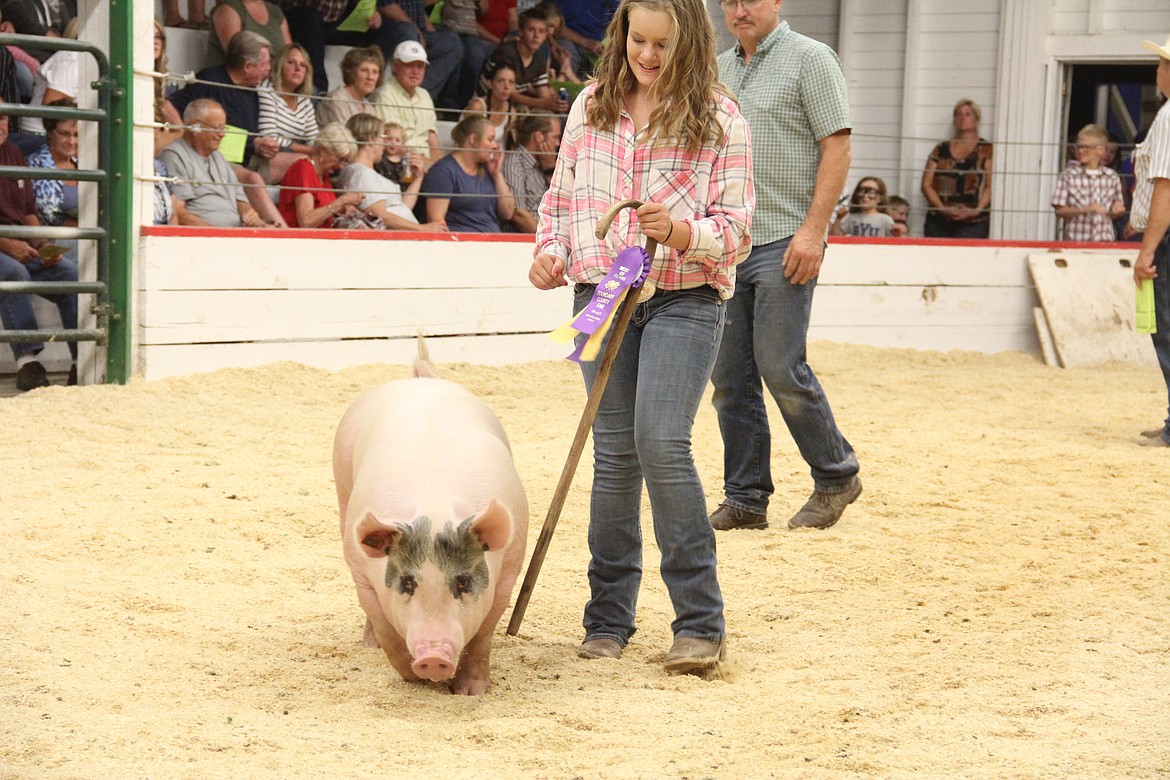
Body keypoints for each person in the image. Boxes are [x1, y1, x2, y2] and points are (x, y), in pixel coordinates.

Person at [528, 0, 753, 673]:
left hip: (684, 295)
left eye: (662, 45)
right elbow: (562, 198)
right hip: (600, 293)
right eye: (638, 41)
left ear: (689, 43)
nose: (648, 57)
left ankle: (700, 622)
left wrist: (684, 233)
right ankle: (607, 619)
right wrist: (549, 253)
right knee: (614, 453)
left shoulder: (720, 117)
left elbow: (738, 228)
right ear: (622, 34)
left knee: (660, 439)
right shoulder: (590, 105)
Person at [709, 0, 860, 532]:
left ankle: (836, 474)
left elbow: (836, 147)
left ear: (777, 2)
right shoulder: (720, 69)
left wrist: (814, 231)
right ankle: (746, 497)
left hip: (786, 238)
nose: (738, 9)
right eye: (728, 0)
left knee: (779, 365)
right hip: (729, 244)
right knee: (729, 378)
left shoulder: (811, 59)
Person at [164, 30, 289, 224]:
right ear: (247, 66)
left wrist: (260, 144)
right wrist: (181, 130)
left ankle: (279, 231)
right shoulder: (209, 80)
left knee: (304, 162)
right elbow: (168, 104)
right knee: (253, 178)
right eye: (264, 64)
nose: (269, 70)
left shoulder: (253, 92)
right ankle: (284, 235)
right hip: (212, 157)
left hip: (241, 158)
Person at [0, 104, 78, 391]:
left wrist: (43, 245)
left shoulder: (14, 154)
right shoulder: (20, 155)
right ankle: (27, 363)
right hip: (6, 247)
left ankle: (80, 361)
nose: (1, 124)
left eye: (4, 117)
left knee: (70, 274)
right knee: (12, 272)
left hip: (18, 243)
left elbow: (29, 210)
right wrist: (8, 244)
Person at [1132, 33, 1170, 448]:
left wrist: (1147, 250)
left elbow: (1166, 185)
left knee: (1167, 327)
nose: (1158, 69)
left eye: (1162, 62)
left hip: (1168, 237)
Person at [158, 98, 271, 227]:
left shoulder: (218, 157)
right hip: (204, 239)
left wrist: (247, 212)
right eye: (217, 128)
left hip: (232, 236)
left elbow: (239, 197)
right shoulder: (174, 156)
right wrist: (215, 235)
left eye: (224, 129)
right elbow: (178, 213)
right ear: (195, 126)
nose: (222, 135)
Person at [339, 112, 446, 230]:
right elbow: (380, 217)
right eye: (382, 138)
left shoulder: (363, 173)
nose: (384, 143)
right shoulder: (362, 174)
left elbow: (401, 208)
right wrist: (423, 228)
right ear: (370, 139)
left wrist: (418, 178)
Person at [278, 0, 400, 95]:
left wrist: (371, 14)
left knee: (389, 27)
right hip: (300, 18)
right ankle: (318, 88)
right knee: (309, 16)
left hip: (335, 23)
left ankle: (366, 85)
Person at [420, 113, 515, 232]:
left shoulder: (488, 169)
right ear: (473, 139)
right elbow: (437, 222)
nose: (495, 146)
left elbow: (508, 213)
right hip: (464, 244)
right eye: (490, 139)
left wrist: (497, 175)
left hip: (494, 242)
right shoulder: (444, 171)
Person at [921, 98, 992, 239]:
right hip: (939, 221)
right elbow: (926, 184)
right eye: (959, 114)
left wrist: (976, 211)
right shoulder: (941, 149)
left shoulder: (986, 149)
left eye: (968, 114)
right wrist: (942, 209)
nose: (962, 118)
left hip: (973, 222)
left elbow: (989, 186)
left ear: (976, 119)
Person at [377, 0, 466, 111]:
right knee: (409, 33)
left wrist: (430, 31)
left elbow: (418, 8)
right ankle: (400, 99)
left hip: (417, 30)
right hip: (387, 31)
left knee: (452, 42)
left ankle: (418, 99)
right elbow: (387, 6)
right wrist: (417, 31)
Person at [476, 7, 566, 114]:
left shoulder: (539, 58)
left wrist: (555, 104)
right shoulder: (506, 53)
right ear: (521, 31)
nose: (536, 36)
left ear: (546, 36)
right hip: (487, 105)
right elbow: (508, 92)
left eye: (541, 31)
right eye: (531, 30)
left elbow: (544, 94)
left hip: (511, 106)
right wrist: (543, 103)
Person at [277, 121, 366, 228]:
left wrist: (344, 208)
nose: (341, 166)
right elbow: (306, 221)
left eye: (344, 161)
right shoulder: (303, 169)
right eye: (339, 159)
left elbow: (325, 210)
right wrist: (342, 201)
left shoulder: (324, 175)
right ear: (323, 150)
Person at [1052, 123, 1126, 243]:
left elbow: (1115, 211)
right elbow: (1059, 211)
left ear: (1100, 150)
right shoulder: (1068, 175)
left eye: (1086, 147)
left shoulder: (1112, 176)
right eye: (1079, 147)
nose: (1081, 151)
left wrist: (1118, 210)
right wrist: (1086, 209)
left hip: (1105, 241)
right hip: (1076, 241)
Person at [372, 40, 442, 163]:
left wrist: (435, 167)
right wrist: (425, 165)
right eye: (409, 65)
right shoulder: (385, 95)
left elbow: (433, 141)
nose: (415, 72)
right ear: (394, 66)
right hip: (398, 163)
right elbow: (392, 145)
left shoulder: (424, 95)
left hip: (425, 164)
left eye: (420, 66)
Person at [257, 42, 318, 167]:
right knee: (307, 162)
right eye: (291, 62)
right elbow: (270, 138)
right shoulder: (266, 91)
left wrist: (318, 149)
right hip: (271, 155)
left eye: (303, 65)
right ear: (280, 66)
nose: (297, 68)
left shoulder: (304, 101)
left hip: (296, 154)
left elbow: (314, 139)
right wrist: (307, 149)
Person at [501, 111, 558, 232]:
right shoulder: (514, 164)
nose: (558, 143)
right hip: (531, 239)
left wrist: (549, 170)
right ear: (539, 137)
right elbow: (518, 213)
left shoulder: (544, 163)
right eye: (555, 137)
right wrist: (545, 240)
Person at [27, 99, 78, 230]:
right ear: (49, 132)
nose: (72, 141)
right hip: (53, 241)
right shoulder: (34, 165)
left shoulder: (84, 164)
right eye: (64, 134)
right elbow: (48, 217)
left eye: (76, 135)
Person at [316, 45, 383, 126]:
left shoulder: (369, 108)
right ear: (351, 73)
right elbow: (345, 136)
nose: (370, 77)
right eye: (364, 70)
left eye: (375, 72)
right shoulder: (338, 99)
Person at [210, 0, 291, 62]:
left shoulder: (275, 11)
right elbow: (239, 56)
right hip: (230, 82)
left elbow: (290, 54)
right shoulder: (227, 8)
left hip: (273, 80)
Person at [464, 62, 518, 146]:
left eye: (511, 82)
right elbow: (467, 142)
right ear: (490, 83)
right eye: (500, 81)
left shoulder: (512, 112)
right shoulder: (477, 106)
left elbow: (511, 146)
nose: (506, 87)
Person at [830, 176, 894, 238]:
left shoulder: (885, 220)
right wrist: (838, 218)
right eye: (861, 191)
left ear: (880, 198)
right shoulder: (853, 218)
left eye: (871, 192)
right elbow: (836, 237)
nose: (865, 195)